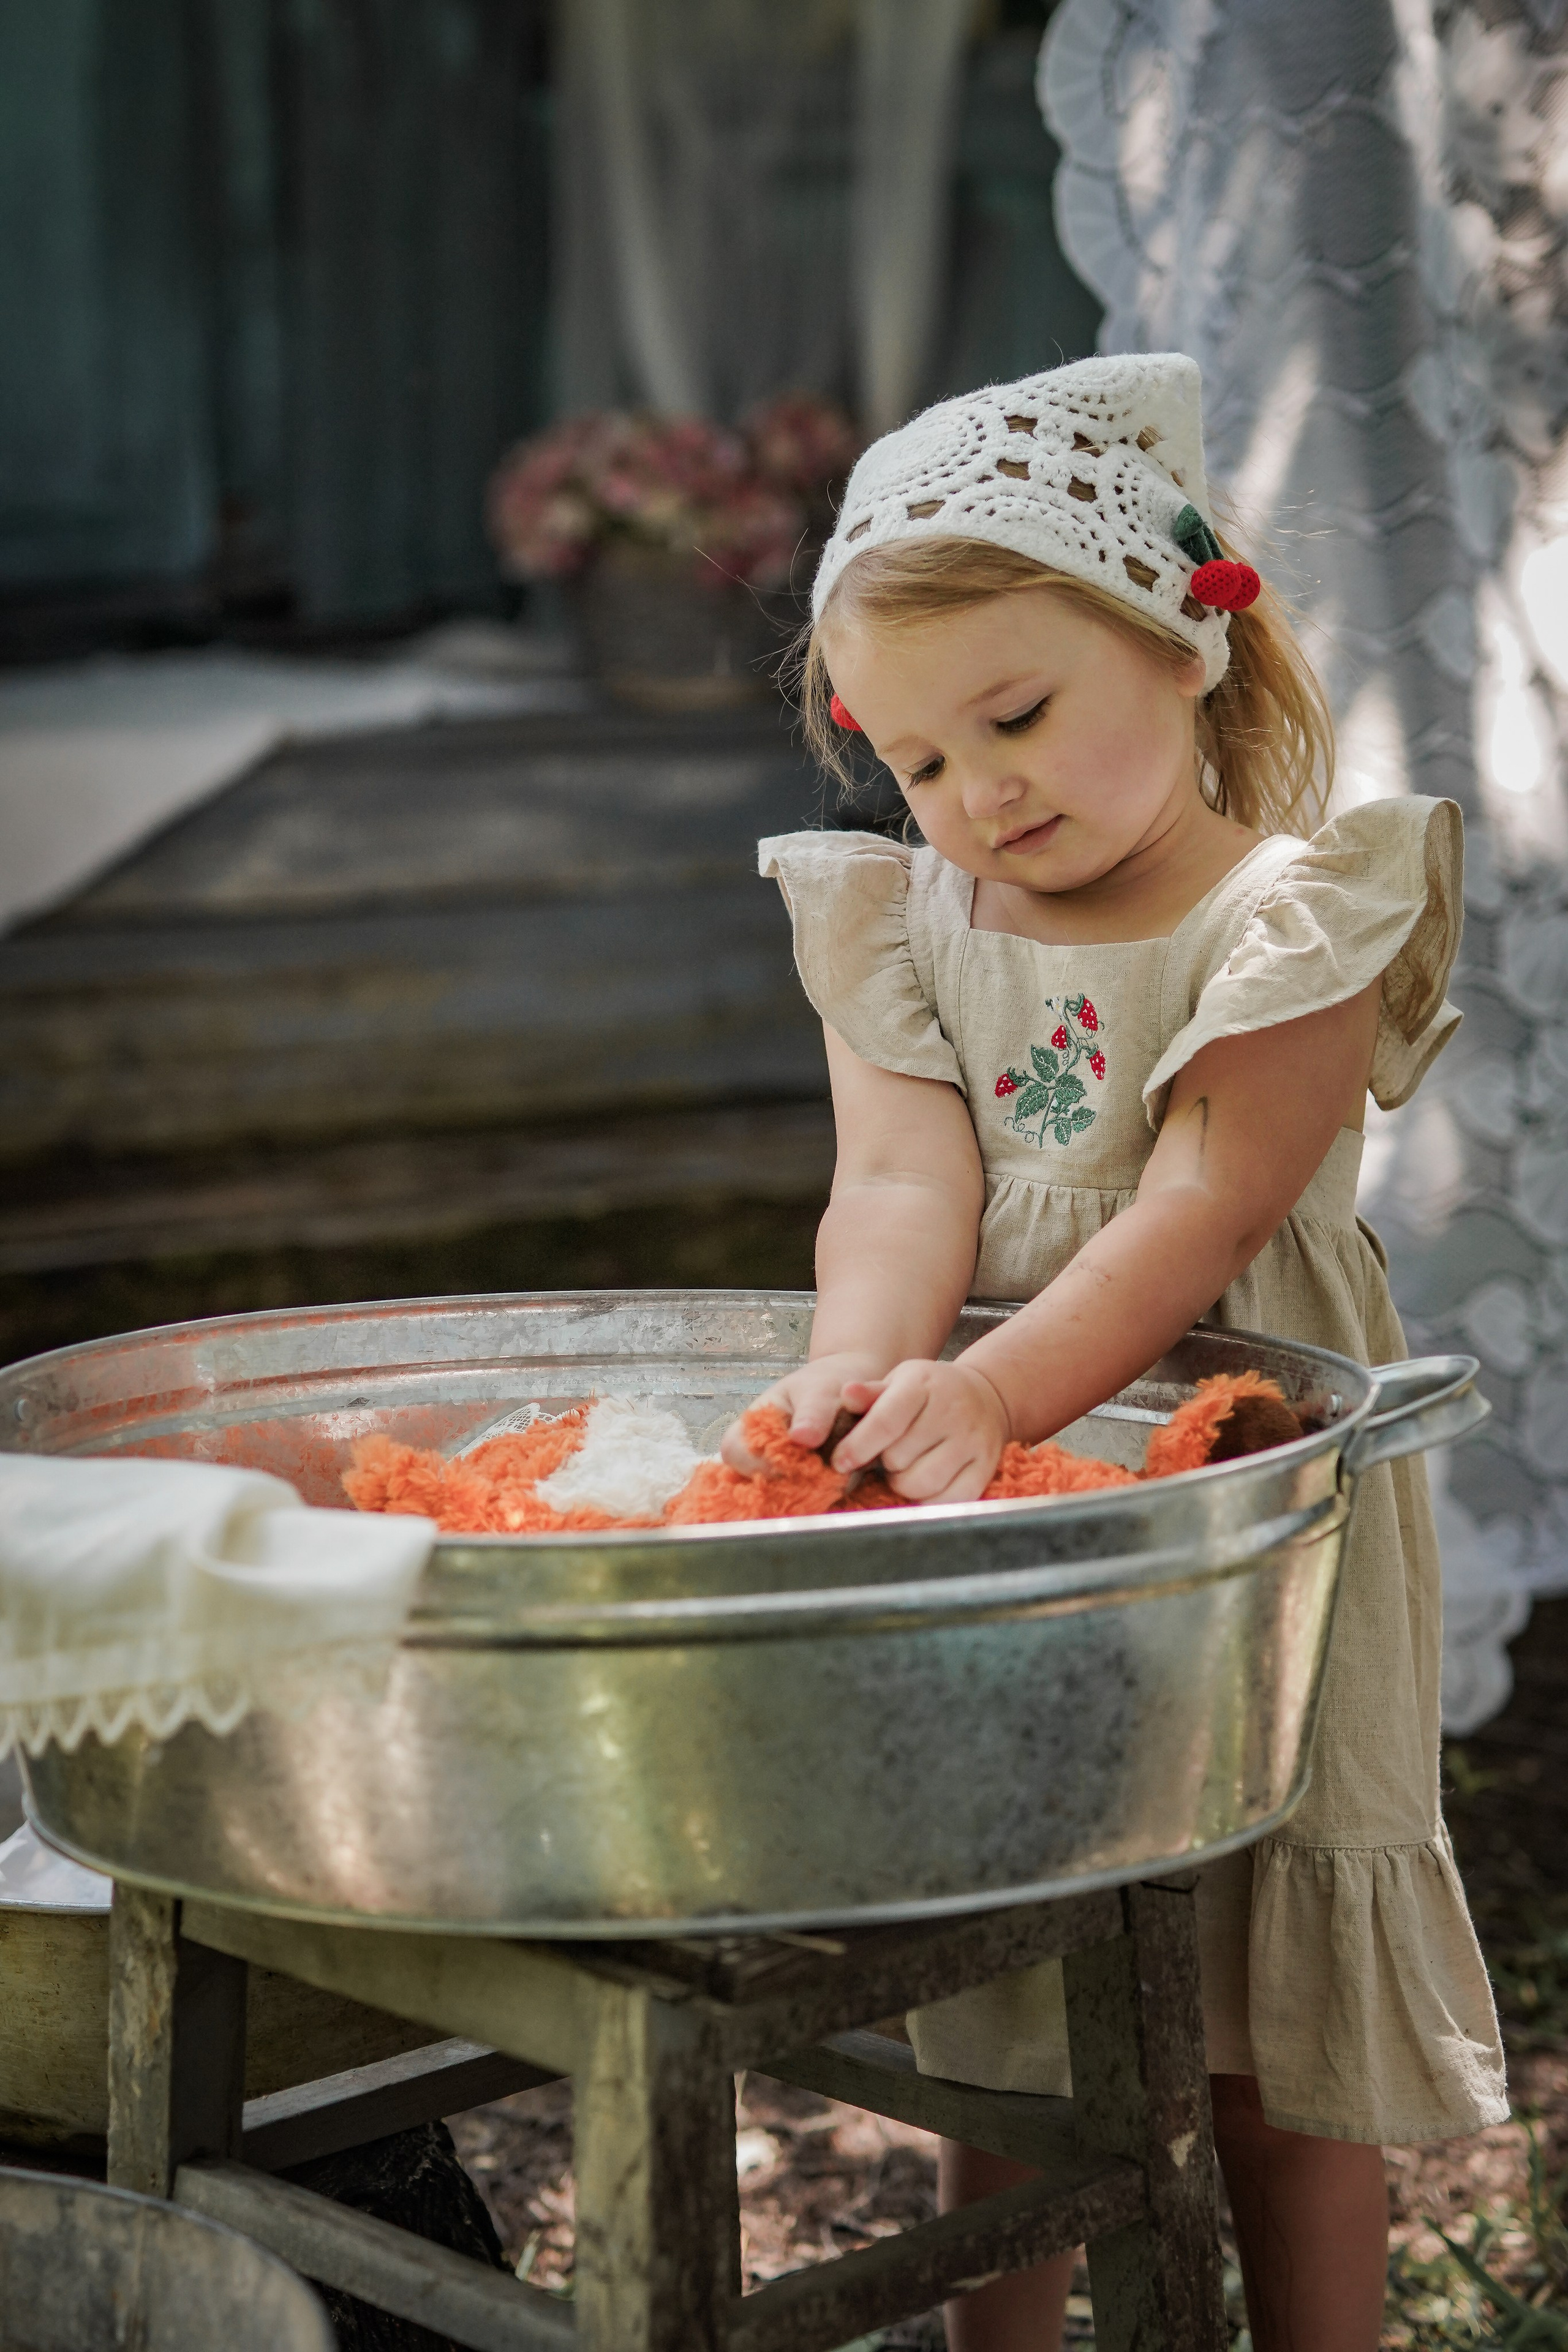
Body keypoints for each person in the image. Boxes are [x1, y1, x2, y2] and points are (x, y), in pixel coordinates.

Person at [725, 353, 1507, 2352]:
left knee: (1263, 2000)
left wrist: (989, 1391)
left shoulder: (1288, 919)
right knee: (1022, 1951)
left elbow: (1196, 1216)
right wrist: (859, 1379)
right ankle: (1009, 2336)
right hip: (1019, 1482)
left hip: (1245, 1468)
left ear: (1181, 639)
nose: (975, 794)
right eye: (912, 759)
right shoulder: (910, 921)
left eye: (1016, 715)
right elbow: (902, 1183)